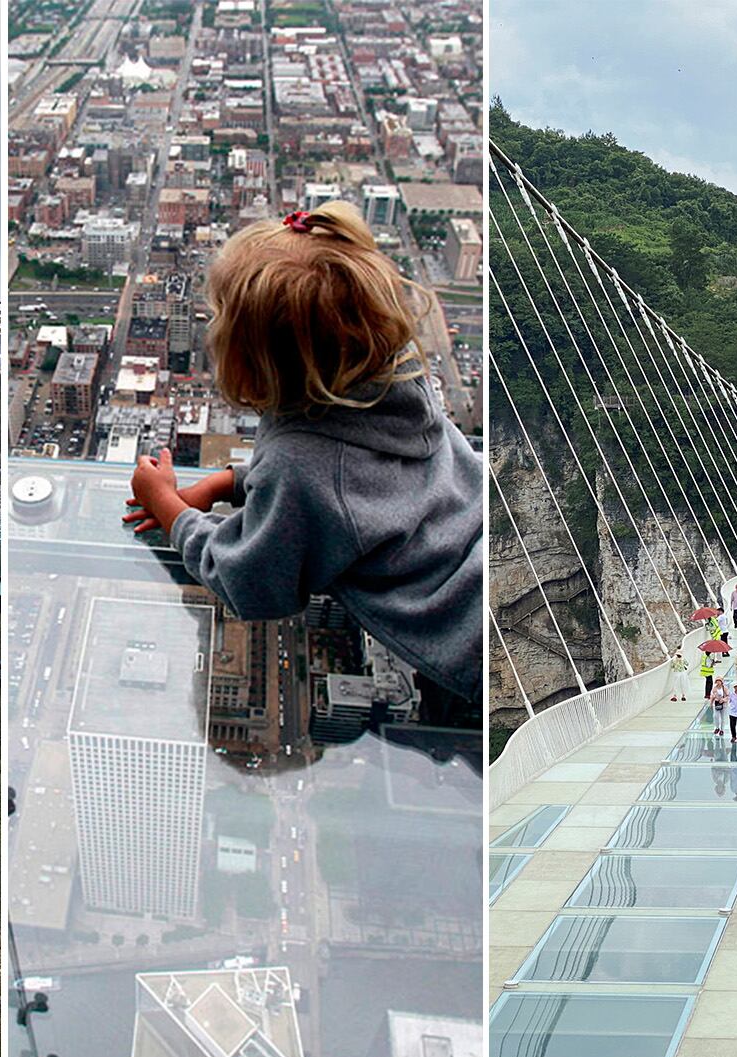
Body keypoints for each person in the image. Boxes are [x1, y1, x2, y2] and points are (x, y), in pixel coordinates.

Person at [122, 202, 483, 723]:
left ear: (255, 355)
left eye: (223, 318)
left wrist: (171, 510)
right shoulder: (397, 380)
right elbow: (351, 482)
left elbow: (251, 581)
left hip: (465, 652)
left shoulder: (299, 461)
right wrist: (233, 482)